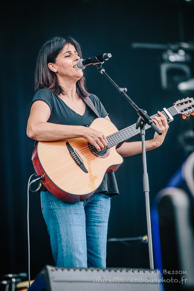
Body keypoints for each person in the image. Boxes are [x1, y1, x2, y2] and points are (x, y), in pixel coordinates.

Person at [26, 36, 169, 269]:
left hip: (99, 191)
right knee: (75, 266)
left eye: (77, 53)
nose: (77, 58)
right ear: (52, 66)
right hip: (62, 190)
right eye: (68, 54)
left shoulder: (93, 102)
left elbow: (115, 147)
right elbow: (34, 128)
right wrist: (83, 132)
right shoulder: (46, 97)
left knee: (97, 268)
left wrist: (153, 143)